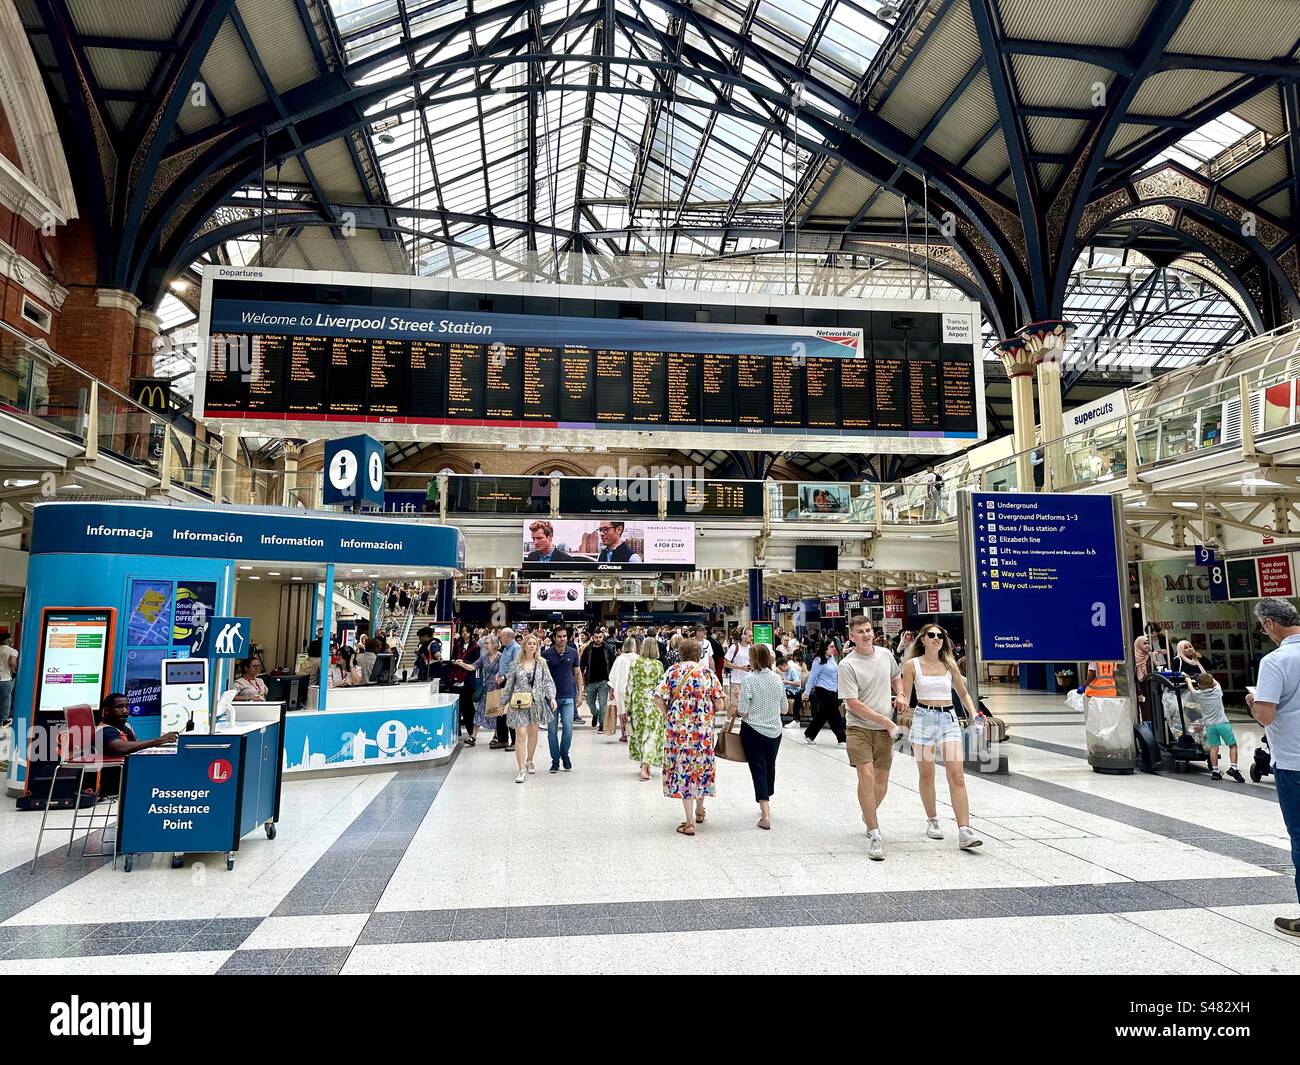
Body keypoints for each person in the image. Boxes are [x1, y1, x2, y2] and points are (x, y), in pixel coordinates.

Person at [899, 625, 983, 850]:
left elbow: (962, 693)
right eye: (931, 635)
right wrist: (900, 702)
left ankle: (964, 829)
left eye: (940, 636)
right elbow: (906, 696)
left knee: (957, 775)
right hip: (924, 720)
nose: (937, 639)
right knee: (927, 774)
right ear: (922, 639)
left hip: (948, 720)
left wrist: (973, 713)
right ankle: (932, 819)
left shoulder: (949, 664)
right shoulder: (911, 665)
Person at [1245, 598, 1300, 937]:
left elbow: (1265, 714)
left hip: (1294, 763)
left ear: (1269, 624)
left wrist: (1252, 701)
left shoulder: (1276, 660)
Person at [838, 615, 906, 861]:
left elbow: (896, 677)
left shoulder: (886, 655)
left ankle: (869, 814)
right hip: (859, 728)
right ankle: (875, 832)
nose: (866, 635)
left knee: (881, 780)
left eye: (868, 630)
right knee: (866, 775)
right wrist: (886, 721)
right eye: (860, 631)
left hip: (884, 731)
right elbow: (853, 703)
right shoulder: (847, 665)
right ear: (852, 636)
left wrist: (900, 694)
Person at [653, 638, 724, 836]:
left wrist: (668, 712)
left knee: (684, 770)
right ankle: (700, 811)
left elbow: (658, 697)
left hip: (679, 733)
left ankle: (690, 821)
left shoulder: (673, 672)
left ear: (681, 654)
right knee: (700, 768)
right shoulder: (708, 674)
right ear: (699, 654)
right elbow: (720, 705)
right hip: (702, 733)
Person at [737, 642, 785, 830]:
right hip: (775, 730)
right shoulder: (777, 679)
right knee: (770, 765)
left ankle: (765, 814)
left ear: (755, 659)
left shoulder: (749, 680)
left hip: (753, 731)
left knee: (758, 768)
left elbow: (742, 711)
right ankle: (767, 797)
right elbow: (784, 707)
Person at [96, 692, 179, 796]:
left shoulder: (126, 725)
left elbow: (137, 744)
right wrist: (158, 741)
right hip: (118, 789)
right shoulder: (104, 731)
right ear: (107, 711)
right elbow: (120, 748)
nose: (125, 711)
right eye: (119, 707)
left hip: (134, 777)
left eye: (127, 706)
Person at [500, 632, 555, 783]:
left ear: (537, 647)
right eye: (529, 643)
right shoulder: (515, 665)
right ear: (524, 646)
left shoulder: (542, 663)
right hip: (519, 703)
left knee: (532, 733)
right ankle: (520, 769)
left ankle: (529, 760)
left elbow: (548, 682)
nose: (532, 646)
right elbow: (509, 684)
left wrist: (552, 697)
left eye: (534, 644)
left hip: (536, 703)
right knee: (521, 734)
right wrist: (502, 702)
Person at [1186, 672, 1243, 782]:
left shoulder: (1199, 695)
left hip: (1210, 726)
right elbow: (1216, 683)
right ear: (1212, 682)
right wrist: (1208, 676)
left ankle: (1215, 771)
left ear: (1199, 685)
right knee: (1233, 745)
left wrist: (1189, 681)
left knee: (1214, 747)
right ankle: (1233, 768)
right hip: (1223, 724)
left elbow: (1191, 689)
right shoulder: (1218, 691)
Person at [541, 625, 581, 772]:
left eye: (564, 636)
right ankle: (555, 760)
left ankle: (564, 754)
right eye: (559, 636)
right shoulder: (546, 654)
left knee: (568, 728)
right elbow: (542, 677)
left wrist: (579, 693)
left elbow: (577, 673)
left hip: (568, 696)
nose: (562, 639)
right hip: (551, 698)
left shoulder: (573, 652)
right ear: (554, 638)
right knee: (552, 730)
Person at [627, 638, 666, 781]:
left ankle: (644, 764)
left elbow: (629, 685)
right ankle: (646, 765)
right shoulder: (659, 665)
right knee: (652, 733)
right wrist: (664, 706)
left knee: (640, 732)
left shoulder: (635, 663)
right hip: (654, 701)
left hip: (638, 701)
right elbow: (662, 687)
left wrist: (627, 706)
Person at [802, 639, 845, 747]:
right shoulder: (818, 660)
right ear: (824, 647)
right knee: (834, 714)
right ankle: (842, 739)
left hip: (832, 690)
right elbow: (812, 677)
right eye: (831, 646)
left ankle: (809, 734)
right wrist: (807, 692)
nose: (833, 648)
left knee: (823, 715)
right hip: (823, 690)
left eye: (833, 646)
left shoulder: (832, 659)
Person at [450, 629, 481, 745]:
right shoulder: (457, 644)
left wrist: (462, 661)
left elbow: (476, 662)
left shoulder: (475, 646)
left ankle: (471, 733)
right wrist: (454, 662)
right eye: (463, 631)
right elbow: (452, 658)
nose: (465, 634)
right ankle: (456, 730)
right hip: (456, 679)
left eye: (467, 632)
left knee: (468, 707)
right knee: (457, 706)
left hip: (468, 680)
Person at [580, 627, 615, 731]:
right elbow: (582, 663)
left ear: (603, 637)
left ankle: (601, 724)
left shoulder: (608, 648)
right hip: (590, 680)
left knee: (603, 703)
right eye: (596, 637)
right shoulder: (588, 649)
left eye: (600, 637)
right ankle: (596, 714)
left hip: (604, 680)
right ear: (592, 637)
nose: (598, 639)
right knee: (590, 703)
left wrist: (612, 681)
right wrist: (580, 676)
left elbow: (612, 664)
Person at [492, 627, 520, 750]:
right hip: (502, 683)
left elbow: (517, 667)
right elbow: (504, 665)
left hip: (512, 684)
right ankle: (503, 739)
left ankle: (515, 742)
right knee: (501, 712)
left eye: (501, 636)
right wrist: (498, 674)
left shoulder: (516, 648)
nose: (500, 638)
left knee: (511, 712)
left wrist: (504, 676)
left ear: (508, 637)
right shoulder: (505, 649)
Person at [608, 636, 640, 743]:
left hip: (620, 688)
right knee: (634, 711)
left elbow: (613, 675)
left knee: (622, 712)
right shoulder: (638, 658)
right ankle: (634, 733)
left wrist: (611, 689)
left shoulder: (619, 659)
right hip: (635, 689)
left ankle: (624, 734)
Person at [471, 634, 501, 739]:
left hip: (497, 689)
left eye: (487, 643)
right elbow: (473, 666)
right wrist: (462, 664)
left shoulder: (501, 657)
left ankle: (496, 735)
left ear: (494, 644)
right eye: (485, 643)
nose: (485, 645)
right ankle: (473, 736)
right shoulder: (484, 657)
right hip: (486, 689)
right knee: (480, 711)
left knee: (496, 713)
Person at [783, 651, 805, 728]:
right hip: (788, 690)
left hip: (794, 691)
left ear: (784, 665)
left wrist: (787, 682)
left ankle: (796, 720)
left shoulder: (792, 670)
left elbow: (798, 683)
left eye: (780, 668)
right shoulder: (785, 672)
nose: (781, 670)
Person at [0, 633, 17, 727]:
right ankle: (3, 720)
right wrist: (14, 670)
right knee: (6, 700)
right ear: (8, 640)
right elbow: (12, 663)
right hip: (5, 679)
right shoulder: (12, 651)